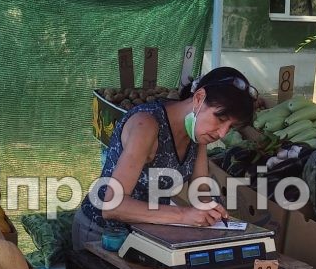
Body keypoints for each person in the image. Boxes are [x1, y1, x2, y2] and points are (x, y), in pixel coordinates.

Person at [72, 67, 257, 250]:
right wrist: (184, 215)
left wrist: (211, 209)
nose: (223, 133)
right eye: (221, 118)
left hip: (145, 235)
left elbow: (200, 189)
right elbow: (112, 206)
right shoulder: (146, 124)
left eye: (231, 127)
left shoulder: (197, 134)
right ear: (199, 98)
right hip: (102, 236)